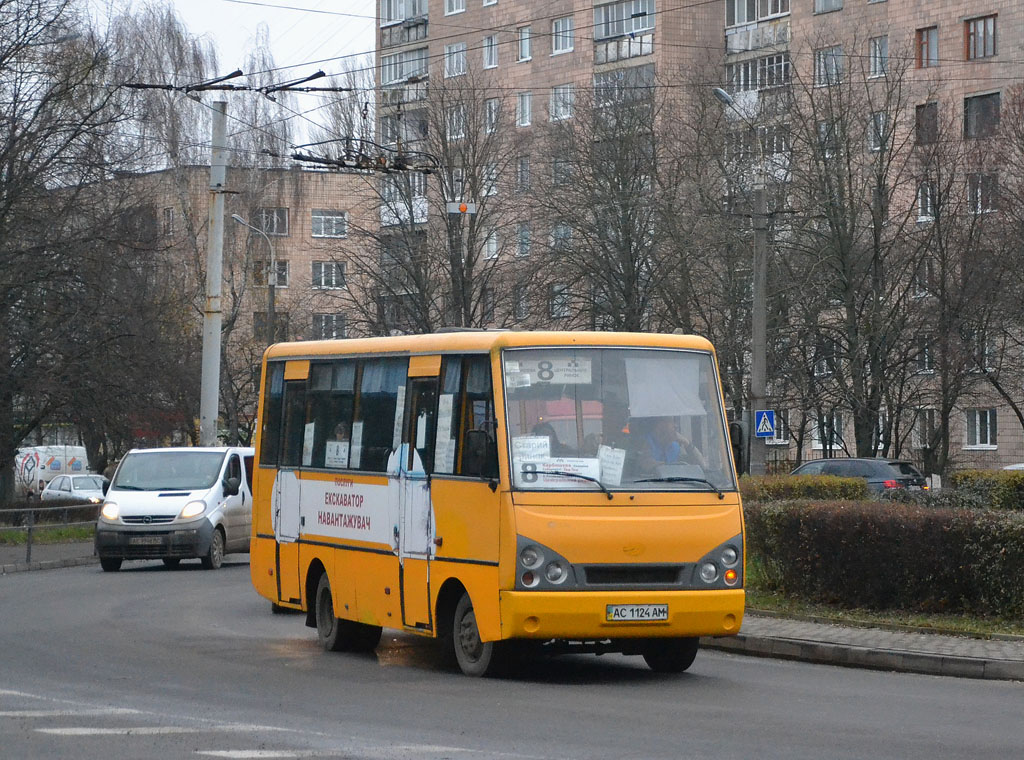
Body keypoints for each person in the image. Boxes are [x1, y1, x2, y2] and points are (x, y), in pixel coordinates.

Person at [636, 416, 707, 473]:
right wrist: (671, 468)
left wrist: (687, 444)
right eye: (671, 421)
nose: (676, 426)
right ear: (660, 425)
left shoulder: (674, 446)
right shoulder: (644, 442)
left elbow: (702, 466)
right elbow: (646, 464)